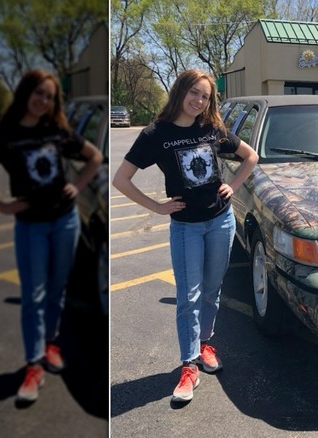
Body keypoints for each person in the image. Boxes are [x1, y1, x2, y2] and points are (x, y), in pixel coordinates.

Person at [0, 69, 103, 403]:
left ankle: (51, 343)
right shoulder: (2, 134)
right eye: (39, 93)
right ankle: (33, 365)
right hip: (31, 226)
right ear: (25, 93)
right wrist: (2, 207)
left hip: (65, 221)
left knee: (56, 290)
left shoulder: (55, 130)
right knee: (34, 296)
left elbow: (94, 157)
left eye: (50, 97)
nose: (43, 101)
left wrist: (76, 186)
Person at [112, 69, 258, 403]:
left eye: (205, 96)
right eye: (194, 93)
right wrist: (157, 207)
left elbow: (251, 156)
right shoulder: (155, 134)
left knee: (211, 291)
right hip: (186, 228)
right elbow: (121, 179)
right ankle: (188, 365)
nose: (199, 101)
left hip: (221, 222)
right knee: (188, 298)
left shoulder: (212, 129)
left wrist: (232, 186)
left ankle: (205, 344)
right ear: (180, 92)